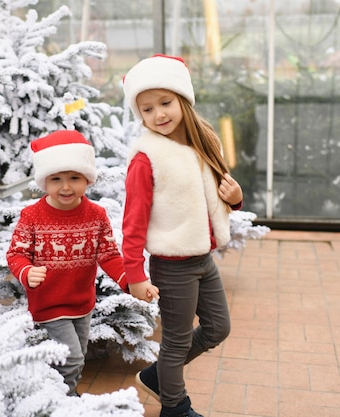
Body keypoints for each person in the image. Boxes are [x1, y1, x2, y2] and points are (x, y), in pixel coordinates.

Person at [121, 54, 244, 417]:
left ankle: (160, 376)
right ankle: (175, 407)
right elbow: (133, 223)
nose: (158, 114)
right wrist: (135, 275)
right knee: (175, 342)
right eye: (146, 109)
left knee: (218, 327)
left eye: (165, 102)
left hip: (202, 259)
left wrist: (236, 201)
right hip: (172, 265)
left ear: (183, 100)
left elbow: (216, 195)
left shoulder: (203, 141)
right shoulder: (146, 158)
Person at [6, 129, 139, 396]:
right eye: (56, 179)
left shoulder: (96, 214)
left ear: (87, 179)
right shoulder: (32, 216)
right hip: (49, 303)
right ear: (45, 182)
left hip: (82, 302)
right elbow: (15, 254)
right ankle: (62, 402)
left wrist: (129, 281)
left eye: (74, 178)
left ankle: (58, 392)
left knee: (75, 356)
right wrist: (27, 271)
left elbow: (109, 255)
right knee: (73, 359)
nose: (66, 187)